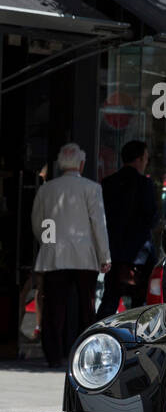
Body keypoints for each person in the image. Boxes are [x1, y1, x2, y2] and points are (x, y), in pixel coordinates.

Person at [31, 143, 111, 368]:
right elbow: (98, 224)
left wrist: (49, 244)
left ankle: (53, 356)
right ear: (82, 164)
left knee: (54, 308)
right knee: (86, 307)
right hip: (85, 256)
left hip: (55, 255)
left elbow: (39, 223)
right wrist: (104, 255)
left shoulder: (47, 189)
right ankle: (86, 356)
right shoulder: (91, 188)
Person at [97, 140, 157, 320]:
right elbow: (151, 218)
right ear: (140, 159)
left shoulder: (108, 183)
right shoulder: (144, 184)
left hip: (113, 253)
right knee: (140, 308)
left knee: (109, 302)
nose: (147, 162)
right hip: (139, 255)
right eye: (146, 158)